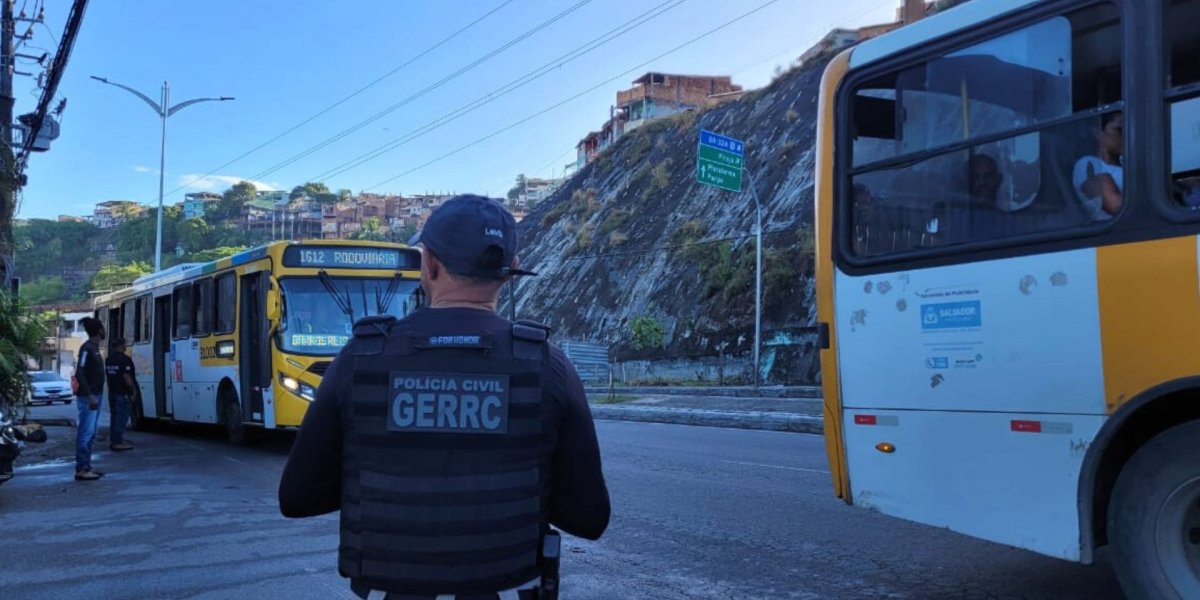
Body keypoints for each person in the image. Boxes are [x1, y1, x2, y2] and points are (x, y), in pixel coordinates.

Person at [279, 194, 610, 600]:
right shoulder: (548, 365)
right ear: (511, 272)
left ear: (428, 264)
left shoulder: (360, 357)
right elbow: (590, 517)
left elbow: (297, 498)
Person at [1073, 111, 1124, 221]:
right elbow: (1115, 205)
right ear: (1098, 133)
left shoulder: (1129, 167)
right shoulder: (1088, 163)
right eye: (1119, 130)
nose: (1125, 136)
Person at [73, 317, 106, 481]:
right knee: (85, 433)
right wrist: (90, 395)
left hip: (96, 396)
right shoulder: (87, 349)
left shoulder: (95, 348)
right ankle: (82, 468)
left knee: (91, 433)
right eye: (103, 328)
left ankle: (87, 465)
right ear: (99, 331)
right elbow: (80, 372)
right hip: (89, 398)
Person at [104, 338, 137, 452]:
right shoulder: (125, 359)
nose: (125, 346)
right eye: (124, 345)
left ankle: (115, 440)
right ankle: (117, 442)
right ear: (122, 346)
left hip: (112, 392)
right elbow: (126, 377)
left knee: (114, 418)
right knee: (121, 418)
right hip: (122, 393)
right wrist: (133, 391)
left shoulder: (109, 360)